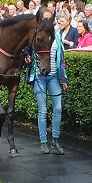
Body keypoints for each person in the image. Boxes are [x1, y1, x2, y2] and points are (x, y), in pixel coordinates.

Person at [26, 17, 67, 155]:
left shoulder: (57, 39)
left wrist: (63, 79)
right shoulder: (36, 38)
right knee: (43, 110)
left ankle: (55, 140)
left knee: (58, 108)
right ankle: (43, 142)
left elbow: (61, 60)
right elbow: (26, 51)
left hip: (53, 77)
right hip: (39, 77)